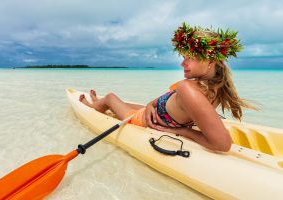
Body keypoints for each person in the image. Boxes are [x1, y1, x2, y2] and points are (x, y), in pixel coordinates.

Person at [79, 22, 256, 152]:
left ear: (210, 61)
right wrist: (150, 104)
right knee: (131, 104)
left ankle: (95, 106)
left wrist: (183, 131)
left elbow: (223, 144)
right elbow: (172, 100)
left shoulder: (188, 88)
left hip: (142, 121)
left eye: (189, 58)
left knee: (111, 97)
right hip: (154, 113)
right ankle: (97, 102)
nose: (182, 63)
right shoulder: (217, 85)